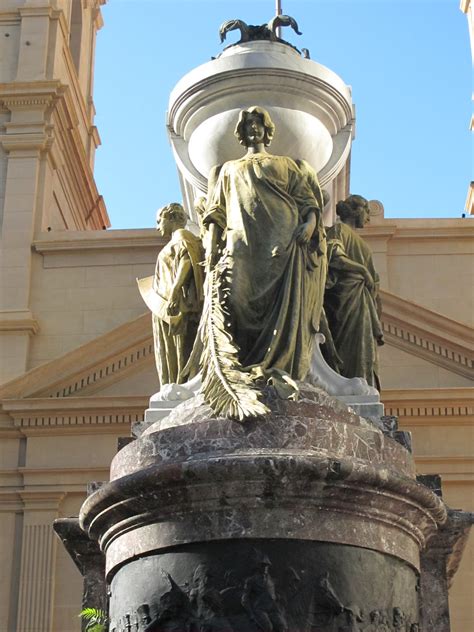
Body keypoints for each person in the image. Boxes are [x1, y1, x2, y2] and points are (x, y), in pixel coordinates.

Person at [202, 106, 326, 381]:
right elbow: (216, 210)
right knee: (235, 298)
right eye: (248, 126)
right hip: (241, 240)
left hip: (281, 239)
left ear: (267, 130)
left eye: (258, 125)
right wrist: (211, 242)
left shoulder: (286, 164)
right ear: (242, 133)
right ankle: (241, 364)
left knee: (280, 302)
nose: (253, 129)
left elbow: (307, 199)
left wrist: (311, 223)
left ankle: (275, 364)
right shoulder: (227, 170)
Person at [139, 203, 204, 386]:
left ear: (171, 218)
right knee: (170, 352)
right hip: (169, 307)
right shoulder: (176, 240)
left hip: (178, 307)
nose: (157, 226)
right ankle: (175, 385)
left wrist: (175, 292)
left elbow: (186, 261)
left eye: (159, 221)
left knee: (179, 351)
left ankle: (181, 385)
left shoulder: (183, 237)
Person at [324, 195, 384, 389]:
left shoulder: (363, 245)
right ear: (357, 210)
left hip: (362, 302)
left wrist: (370, 281)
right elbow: (334, 256)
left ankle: (363, 383)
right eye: (367, 212)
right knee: (345, 344)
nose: (368, 218)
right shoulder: (338, 230)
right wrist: (362, 271)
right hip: (344, 299)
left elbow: (374, 281)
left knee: (363, 346)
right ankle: (346, 382)